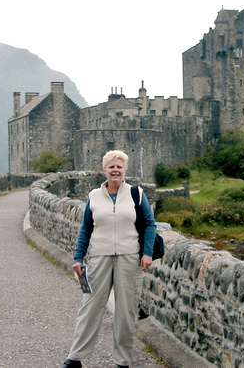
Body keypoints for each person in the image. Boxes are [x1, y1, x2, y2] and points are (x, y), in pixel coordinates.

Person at [60, 150, 157, 368]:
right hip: (99, 258)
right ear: (104, 170)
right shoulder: (94, 196)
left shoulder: (136, 194)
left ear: (125, 171)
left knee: (126, 311)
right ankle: (76, 358)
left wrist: (147, 253)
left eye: (119, 167)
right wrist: (78, 257)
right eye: (111, 167)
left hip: (129, 258)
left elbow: (150, 224)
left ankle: (122, 361)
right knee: (90, 307)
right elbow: (86, 228)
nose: (115, 170)